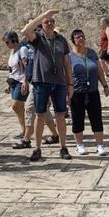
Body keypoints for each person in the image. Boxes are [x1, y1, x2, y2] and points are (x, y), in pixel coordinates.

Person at [21, 9, 74, 161]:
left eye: (51, 21)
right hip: (41, 81)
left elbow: (66, 62)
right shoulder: (37, 38)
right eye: (46, 22)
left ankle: (63, 147)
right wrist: (44, 14)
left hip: (58, 82)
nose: (49, 24)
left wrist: (70, 83)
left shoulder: (61, 40)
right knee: (40, 115)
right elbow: (25, 30)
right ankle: (37, 148)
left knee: (60, 115)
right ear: (41, 24)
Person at [69, 29, 109, 156]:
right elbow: (66, 74)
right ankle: (80, 145)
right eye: (77, 37)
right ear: (73, 41)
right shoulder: (69, 56)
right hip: (76, 92)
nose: (80, 39)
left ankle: (100, 145)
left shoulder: (91, 53)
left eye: (82, 36)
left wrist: (105, 85)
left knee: (96, 118)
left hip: (92, 91)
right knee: (77, 118)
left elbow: (99, 70)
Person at [3, 31, 29, 139]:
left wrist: (26, 81)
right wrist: (8, 84)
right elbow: (11, 69)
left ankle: (27, 129)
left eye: (7, 42)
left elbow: (27, 67)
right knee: (19, 108)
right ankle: (25, 130)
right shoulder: (13, 51)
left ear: (14, 40)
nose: (6, 45)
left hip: (21, 82)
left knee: (15, 106)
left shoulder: (22, 50)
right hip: (13, 82)